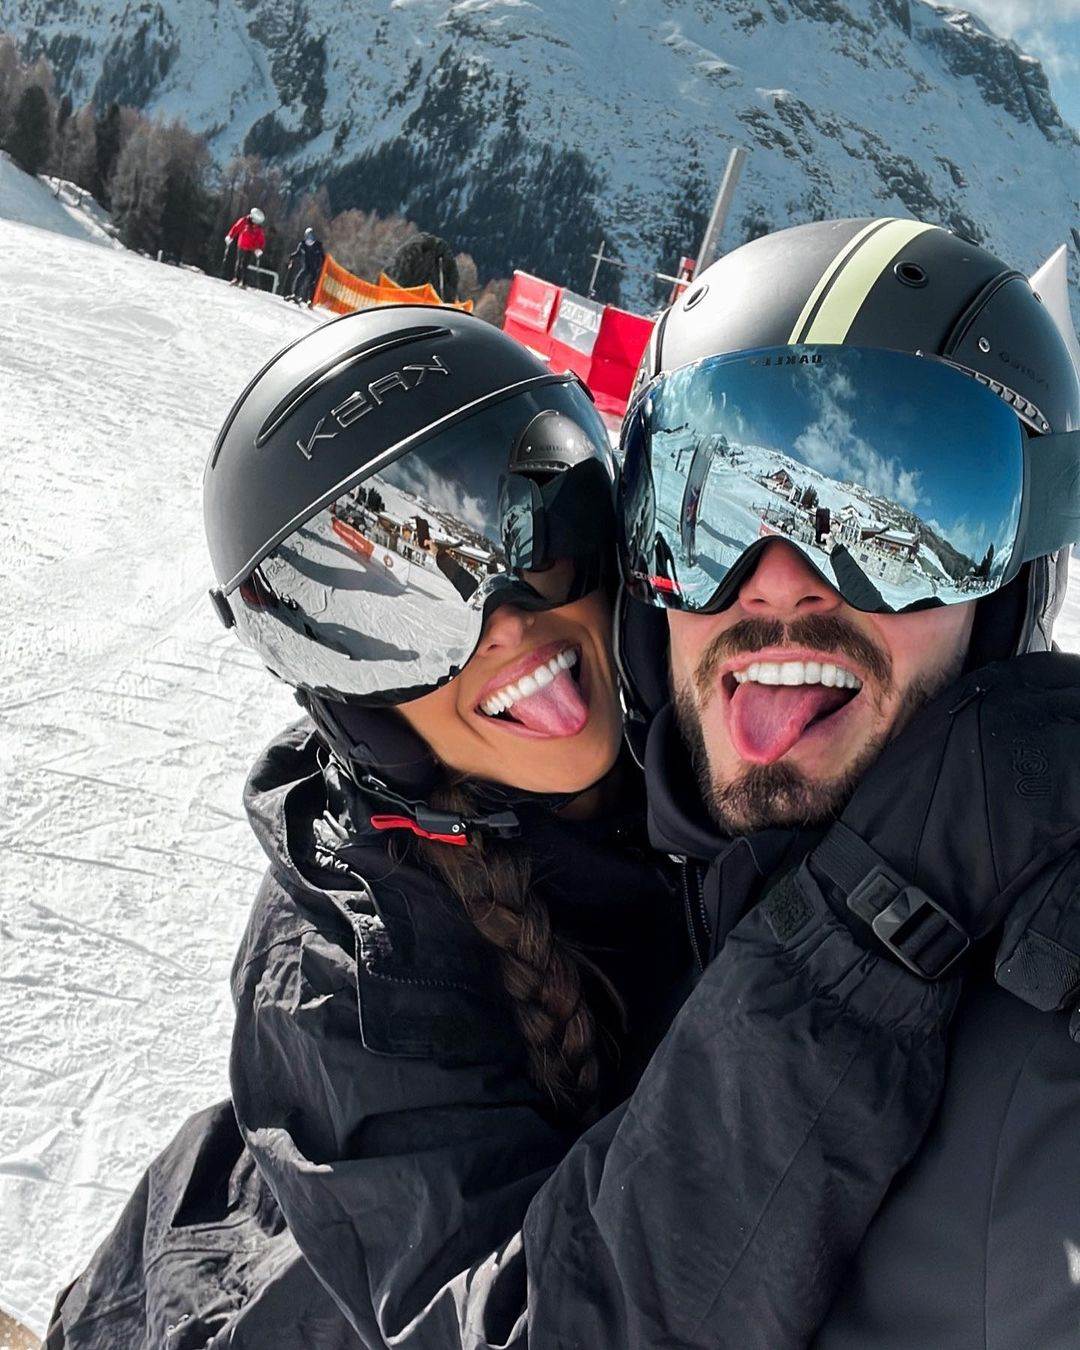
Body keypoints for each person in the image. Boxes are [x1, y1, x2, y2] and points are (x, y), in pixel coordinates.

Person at [47, 306, 980, 1349]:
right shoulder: (347, 969)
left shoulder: (716, 739)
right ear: (347, 700)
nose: (504, 623)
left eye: (534, 533)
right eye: (388, 623)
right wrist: (867, 938)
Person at [617, 216, 1080, 1346]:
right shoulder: (630, 900)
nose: (776, 585)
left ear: (1009, 596)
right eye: (714, 508)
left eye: (900, 527)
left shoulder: (1040, 1051)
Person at [225, 207, 266, 288]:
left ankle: (244, 282)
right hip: (241, 245)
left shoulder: (258, 229)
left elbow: (261, 239)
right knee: (239, 262)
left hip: (251, 248)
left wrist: (259, 249)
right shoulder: (244, 221)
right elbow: (236, 228)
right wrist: (230, 236)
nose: (256, 224)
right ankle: (236, 278)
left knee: (245, 264)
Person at [285, 225, 326, 305]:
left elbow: (323, 257)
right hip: (306, 266)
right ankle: (296, 295)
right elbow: (298, 253)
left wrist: (321, 266)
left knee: (312, 283)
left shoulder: (318, 245)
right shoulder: (302, 245)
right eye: (308, 236)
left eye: (311, 237)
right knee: (299, 279)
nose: (309, 239)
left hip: (315, 267)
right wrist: (291, 257)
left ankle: (310, 299)